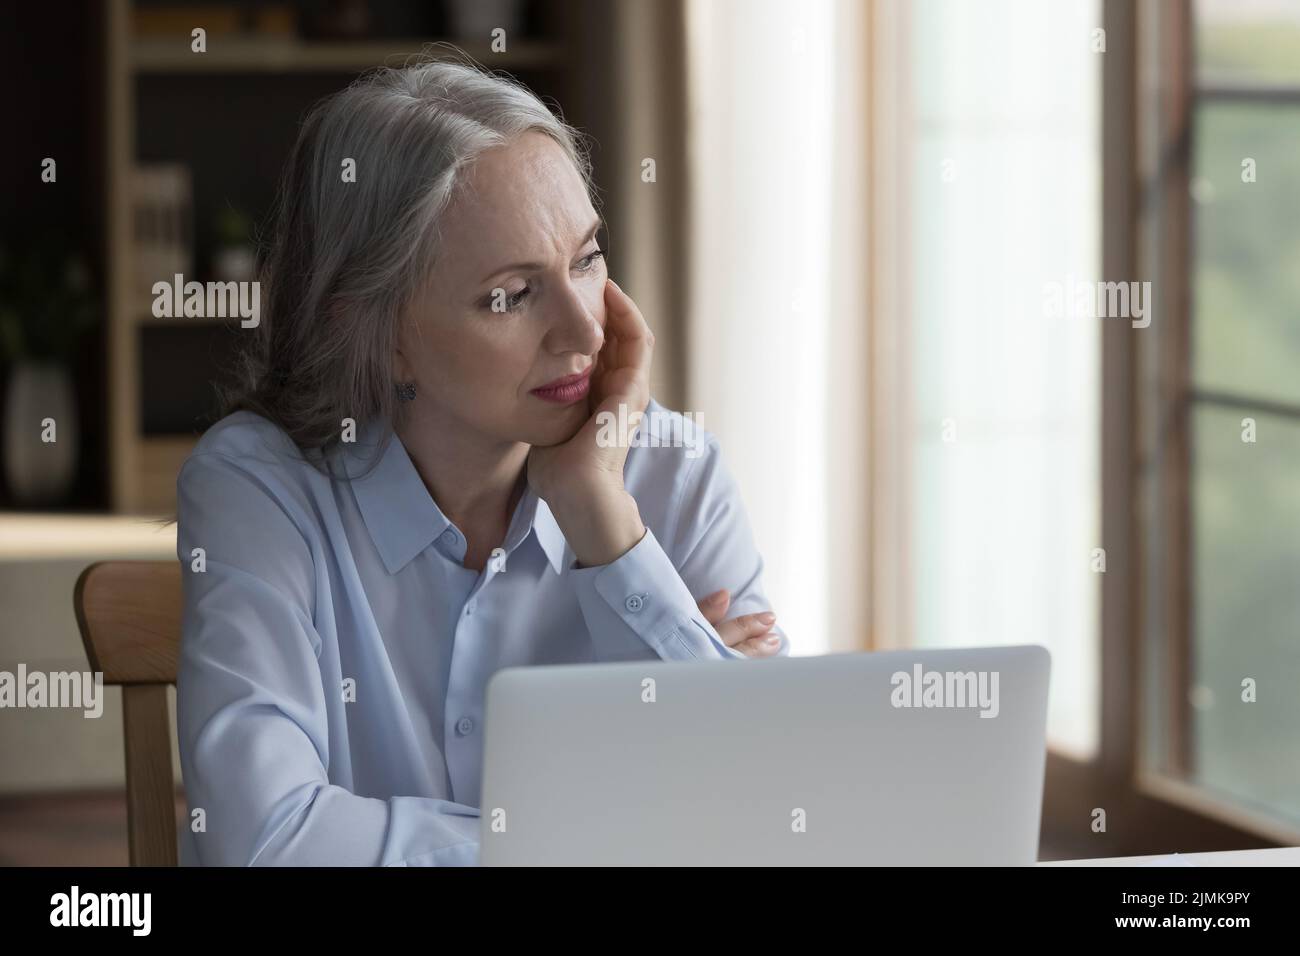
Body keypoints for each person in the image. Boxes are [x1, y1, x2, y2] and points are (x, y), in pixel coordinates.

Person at [176, 57, 788, 867]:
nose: (583, 330)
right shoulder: (257, 487)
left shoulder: (675, 474)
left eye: (586, 259)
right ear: (377, 327)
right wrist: (609, 829)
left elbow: (764, 821)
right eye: (512, 294)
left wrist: (606, 525)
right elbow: (264, 843)